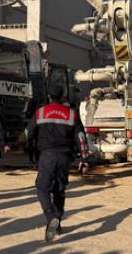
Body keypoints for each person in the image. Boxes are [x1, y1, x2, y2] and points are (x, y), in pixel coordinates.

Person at [26, 84, 89, 243]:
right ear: (62, 97)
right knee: (59, 190)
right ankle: (57, 224)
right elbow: (81, 137)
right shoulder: (71, 114)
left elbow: (27, 133)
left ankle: (51, 215)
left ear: (49, 96)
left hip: (47, 156)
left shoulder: (40, 112)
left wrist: (25, 147)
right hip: (64, 157)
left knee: (42, 188)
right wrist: (84, 159)